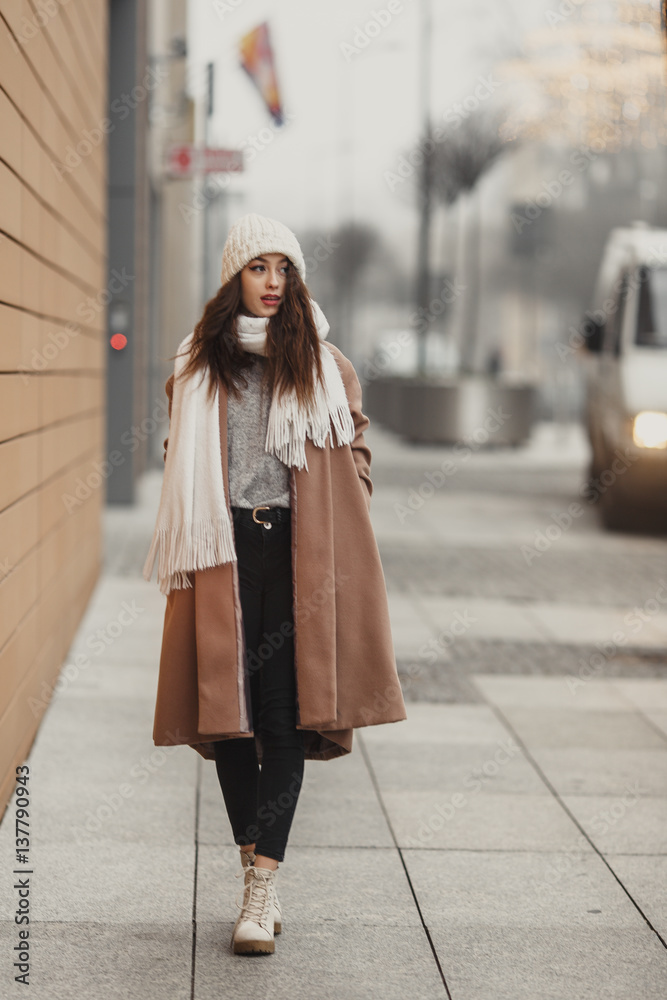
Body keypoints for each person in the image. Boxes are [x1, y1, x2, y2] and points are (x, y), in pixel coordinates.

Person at [143, 213, 407, 956]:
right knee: (229, 716)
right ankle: (251, 867)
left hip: (300, 553)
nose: (271, 283)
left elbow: (354, 445)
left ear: (295, 280)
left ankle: (262, 885)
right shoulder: (198, 367)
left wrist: (344, 498)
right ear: (234, 279)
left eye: (281, 269)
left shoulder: (325, 365)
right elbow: (179, 455)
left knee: (286, 718)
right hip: (223, 551)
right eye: (256, 268)